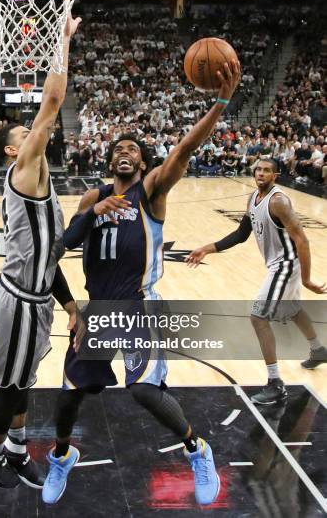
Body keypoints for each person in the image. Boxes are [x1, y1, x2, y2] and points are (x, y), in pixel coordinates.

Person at [42, 60, 241, 507]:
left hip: (139, 304)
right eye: (118, 149)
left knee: (146, 390)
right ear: (110, 160)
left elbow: (183, 152)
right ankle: (61, 455)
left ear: (143, 161)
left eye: (132, 148)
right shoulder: (93, 197)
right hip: (98, 308)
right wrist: (74, 308)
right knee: (69, 397)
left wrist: (221, 103)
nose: (124, 152)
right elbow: (67, 244)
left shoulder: (150, 190)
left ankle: (197, 447)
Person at [0, 8, 81, 490]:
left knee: (25, 382)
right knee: (9, 385)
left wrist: (71, 305)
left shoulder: (41, 179)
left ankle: (14, 450)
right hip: (17, 300)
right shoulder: (25, 171)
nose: (32, 133)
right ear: (14, 150)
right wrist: (61, 38)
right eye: (23, 133)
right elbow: (52, 101)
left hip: (36, 298)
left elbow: (48, 254)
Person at [186, 158, 327, 404]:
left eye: (267, 170)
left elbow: (302, 240)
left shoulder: (279, 201)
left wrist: (306, 279)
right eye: (258, 169)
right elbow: (242, 234)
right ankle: (318, 350)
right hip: (277, 264)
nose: (261, 173)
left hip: (285, 265)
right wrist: (207, 249)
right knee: (293, 310)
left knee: (258, 316)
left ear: (276, 175)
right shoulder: (253, 198)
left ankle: (275, 383)